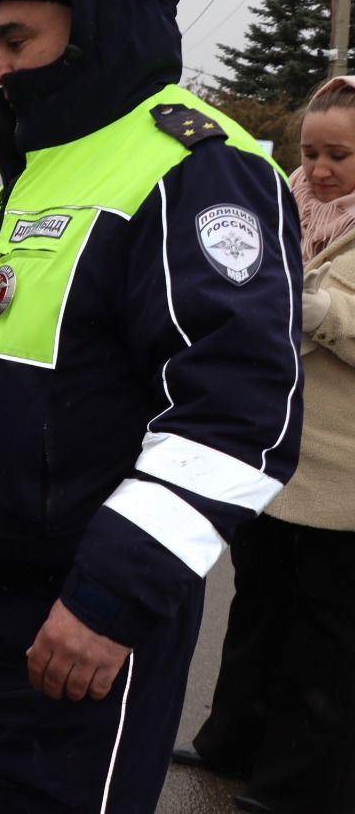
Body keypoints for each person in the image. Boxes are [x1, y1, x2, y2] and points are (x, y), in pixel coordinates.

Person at [0, 0, 302, 814]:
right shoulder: (39, 163)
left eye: (15, 39)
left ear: (95, 22)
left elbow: (239, 417)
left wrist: (111, 597)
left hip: (82, 609)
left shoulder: (192, 167)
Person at [174, 76, 355, 814]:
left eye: (339, 155)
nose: (319, 169)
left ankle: (301, 786)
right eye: (311, 151)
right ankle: (234, 743)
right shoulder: (285, 207)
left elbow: (328, 312)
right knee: (256, 613)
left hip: (342, 481)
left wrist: (310, 307)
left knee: (324, 642)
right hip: (274, 458)